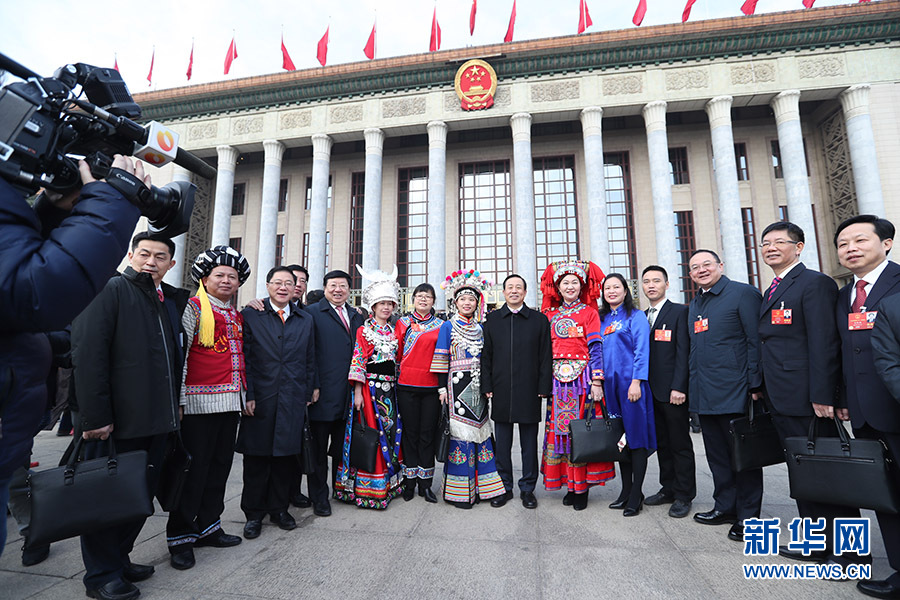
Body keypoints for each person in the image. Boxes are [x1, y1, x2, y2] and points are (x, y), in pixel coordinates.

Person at [0, 155, 144, 557]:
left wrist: (52, 209)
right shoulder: (113, 290)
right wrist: (112, 200)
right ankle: (40, 536)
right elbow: (40, 292)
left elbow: (19, 274)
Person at [71, 231, 188, 600]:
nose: (151, 262)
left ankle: (119, 559)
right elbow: (88, 355)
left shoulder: (166, 299)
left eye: (160, 256)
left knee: (138, 497)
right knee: (108, 500)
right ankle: (101, 576)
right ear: (131, 255)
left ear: (171, 263)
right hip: (118, 423)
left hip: (157, 420)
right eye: (145, 254)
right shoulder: (111, 290)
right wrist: (94, 418)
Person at [755, 221, 860, 565]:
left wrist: (825, 395)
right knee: (804, 473)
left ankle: (849, 554)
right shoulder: (773, 288)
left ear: (798, 247)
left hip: (809, 399)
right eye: (765, 243)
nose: (771, 248)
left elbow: (825, 342)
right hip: (781, 395)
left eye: (779, 242)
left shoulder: (814, 283)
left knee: (829, 475)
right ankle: (816, 543)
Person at [166, 246, 251, 571]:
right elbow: (183, 356)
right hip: (198, 405)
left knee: (219, 469)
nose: (226, 280)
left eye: (232, 276)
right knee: (193, 471)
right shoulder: (193, 309)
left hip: (230, 404)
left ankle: (209, 526)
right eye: (220, 275)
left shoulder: (236, 314)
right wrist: (180, 400)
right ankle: (181, 536)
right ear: (205, 279)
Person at [833, 215, 900, 599]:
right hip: (864, 411)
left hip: (895, 404)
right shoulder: (845, 295)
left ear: (886, 243)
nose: (851, 249)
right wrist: (843, 399)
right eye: (843, 244)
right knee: (884, 493)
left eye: (860, 240)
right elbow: (847, 352)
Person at [687, 249, 762, 543]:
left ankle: (748, 517)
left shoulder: (743, 294)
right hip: (705, 393)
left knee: (743, 457)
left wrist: (755, 384)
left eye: (707, 264)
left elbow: (755, 341)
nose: (702, 270)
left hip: (736, 391)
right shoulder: (696, 302)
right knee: (717, 456)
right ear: (690, 275)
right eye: (695, 267)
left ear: (721, 265)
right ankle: (725, 506)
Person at [237, 266, 316, 539]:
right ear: (268, 285)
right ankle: (253, 514)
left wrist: (309, 390)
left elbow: (309, 357)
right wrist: (248, 394)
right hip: (261, 397)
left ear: (296, 288)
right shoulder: (251, 315)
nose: (283, 287)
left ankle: (279, 509)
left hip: (292, 396)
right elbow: (245, 357)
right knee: (257, 459)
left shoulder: (304, 319)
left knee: (285, 458)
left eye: (288, 283)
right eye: (278, 282)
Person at [538, 260, 616, 511]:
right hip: (557, 383)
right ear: (558, 288)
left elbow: (596, 348)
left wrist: (597, 380)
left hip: (582, 381)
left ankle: (581, 488)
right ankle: (569, 485)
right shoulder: (549, 315)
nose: (570, 286)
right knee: (559, 434)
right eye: (565, 283)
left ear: (581, 287)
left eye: (574, 282)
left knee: (580, 433)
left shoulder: (589, 313)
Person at [431, 269, 506, 508]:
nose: (467, 303)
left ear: (477, 303)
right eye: (462, 299)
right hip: (455, 387)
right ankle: (461, 492)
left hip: (478, 387)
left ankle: (486, 489)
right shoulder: (447, 326)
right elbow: (441, 358)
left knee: (482, 434)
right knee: (460, 436)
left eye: (471, 299)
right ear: (455, 302)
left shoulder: (481, 328)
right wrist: (441, 389)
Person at [481, 274, 553, 509]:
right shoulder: (492, 320)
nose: (514, 291)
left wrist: (544, 386)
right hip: (500, 388)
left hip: (530, 389)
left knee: (529, 443)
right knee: (502, 443)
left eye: (518, 287)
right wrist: (487, 385)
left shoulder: (539, 320)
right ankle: (504, 487)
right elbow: (486, 356)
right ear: (503, 292)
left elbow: (545, 356)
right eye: (510, 287)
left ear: (525, 292)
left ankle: (528, 488)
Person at [334, 266, 404, 508]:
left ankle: (388, 483)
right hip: (370, 390)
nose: (386, 308)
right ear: (373, 306)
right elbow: (358, 360)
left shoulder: (394, 331)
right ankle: (368, 488)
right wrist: (357, 392)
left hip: (390, 391)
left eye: (390, 304)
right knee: (372, 434)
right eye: (382, 303)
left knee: (391, 433)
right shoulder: (365, 330)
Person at [305, 270, 365, 517]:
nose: (338, 290)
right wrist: (313, 385)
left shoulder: (357, 315)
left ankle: (341, 490)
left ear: (349, 290)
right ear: (325, 288)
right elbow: (308, 353)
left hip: (348, 394)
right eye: (333, 285)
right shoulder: (311, 313)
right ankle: (319, 497)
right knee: (318, 449)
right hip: (322, 393)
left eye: (343, 286)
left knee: (342, 447)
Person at [599, 273, 656, 517]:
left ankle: (636, 494)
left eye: (616, 287)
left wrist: (636, 381)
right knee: (619, 439)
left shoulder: (636, 316)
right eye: (607, 288)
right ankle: (625, 490)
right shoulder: (602, 319)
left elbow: (642, 351)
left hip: (631, 387)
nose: (612, 291)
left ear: (625, 290)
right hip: (610, 389)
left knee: (636, 438)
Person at [640, 265, 695, 519]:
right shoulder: (642, 316)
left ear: (667, 284)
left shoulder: (679, 312)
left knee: (679, 443)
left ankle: (684, 494)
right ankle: (668, 488)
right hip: (650, 392)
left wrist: (679, 387)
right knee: (662, 442)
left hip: (673, 392)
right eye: (647, 282)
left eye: (656, 281)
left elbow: (684, 352)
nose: (651, 285)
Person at [394, 282, 445, 503]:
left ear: (434, 301)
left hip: (431, 387)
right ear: (413, 299)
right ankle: (409, 482)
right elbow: (396, 353)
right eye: (420, 296)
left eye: (428, 296)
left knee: (427, 435)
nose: (423, 299)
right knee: (410, 434)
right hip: (406, 385)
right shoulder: (402, 323)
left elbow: (444, 356)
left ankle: (426, 484)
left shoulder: (441, 325)